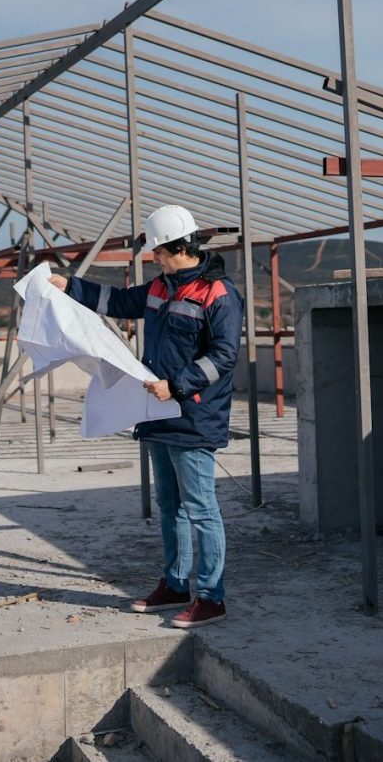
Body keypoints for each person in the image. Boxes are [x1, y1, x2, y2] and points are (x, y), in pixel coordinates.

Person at [49, 204, 242, 628]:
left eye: (158, 251)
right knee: (170, 505)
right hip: (157, 413)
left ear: (179, 247)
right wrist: (69, 286)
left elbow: (224, 356)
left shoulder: (218, 293)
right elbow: (117, 301)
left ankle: (212, 597)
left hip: (193, 416)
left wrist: (177, 385)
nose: (154, 258)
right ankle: (175, 584)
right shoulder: (160, 287)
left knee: (201, 508)